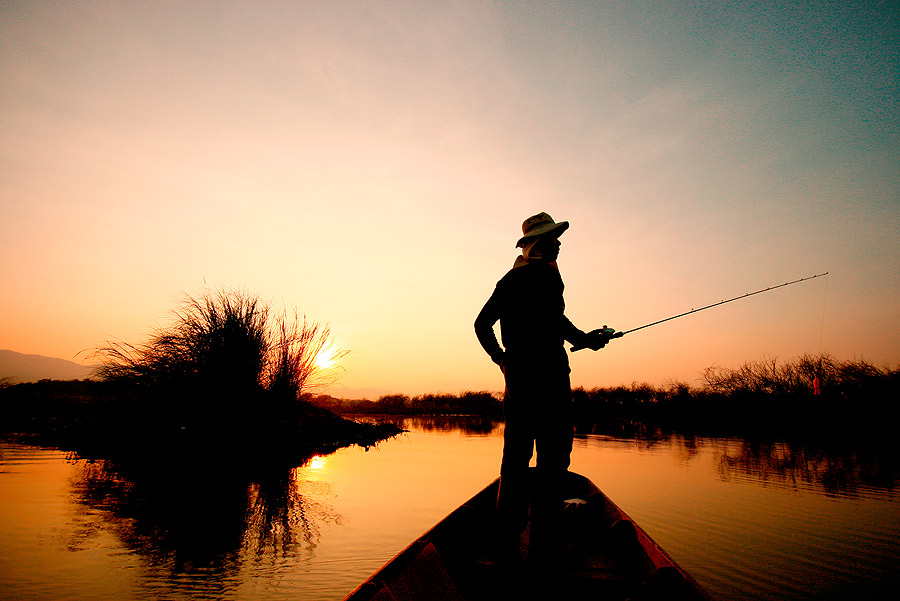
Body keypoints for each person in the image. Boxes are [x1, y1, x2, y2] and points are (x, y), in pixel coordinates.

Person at [474, 212, 613, 562]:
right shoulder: (546, 276)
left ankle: (503, 541)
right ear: (539, 243)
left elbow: (483, 324)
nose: (560, 242)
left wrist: (502, 358)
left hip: (519, 380)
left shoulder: (511, 279)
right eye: (554, 238)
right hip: (549, 379)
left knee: (515, 460)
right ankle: (544, 545)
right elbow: (554, 321)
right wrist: (587, 340)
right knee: (553, 460)